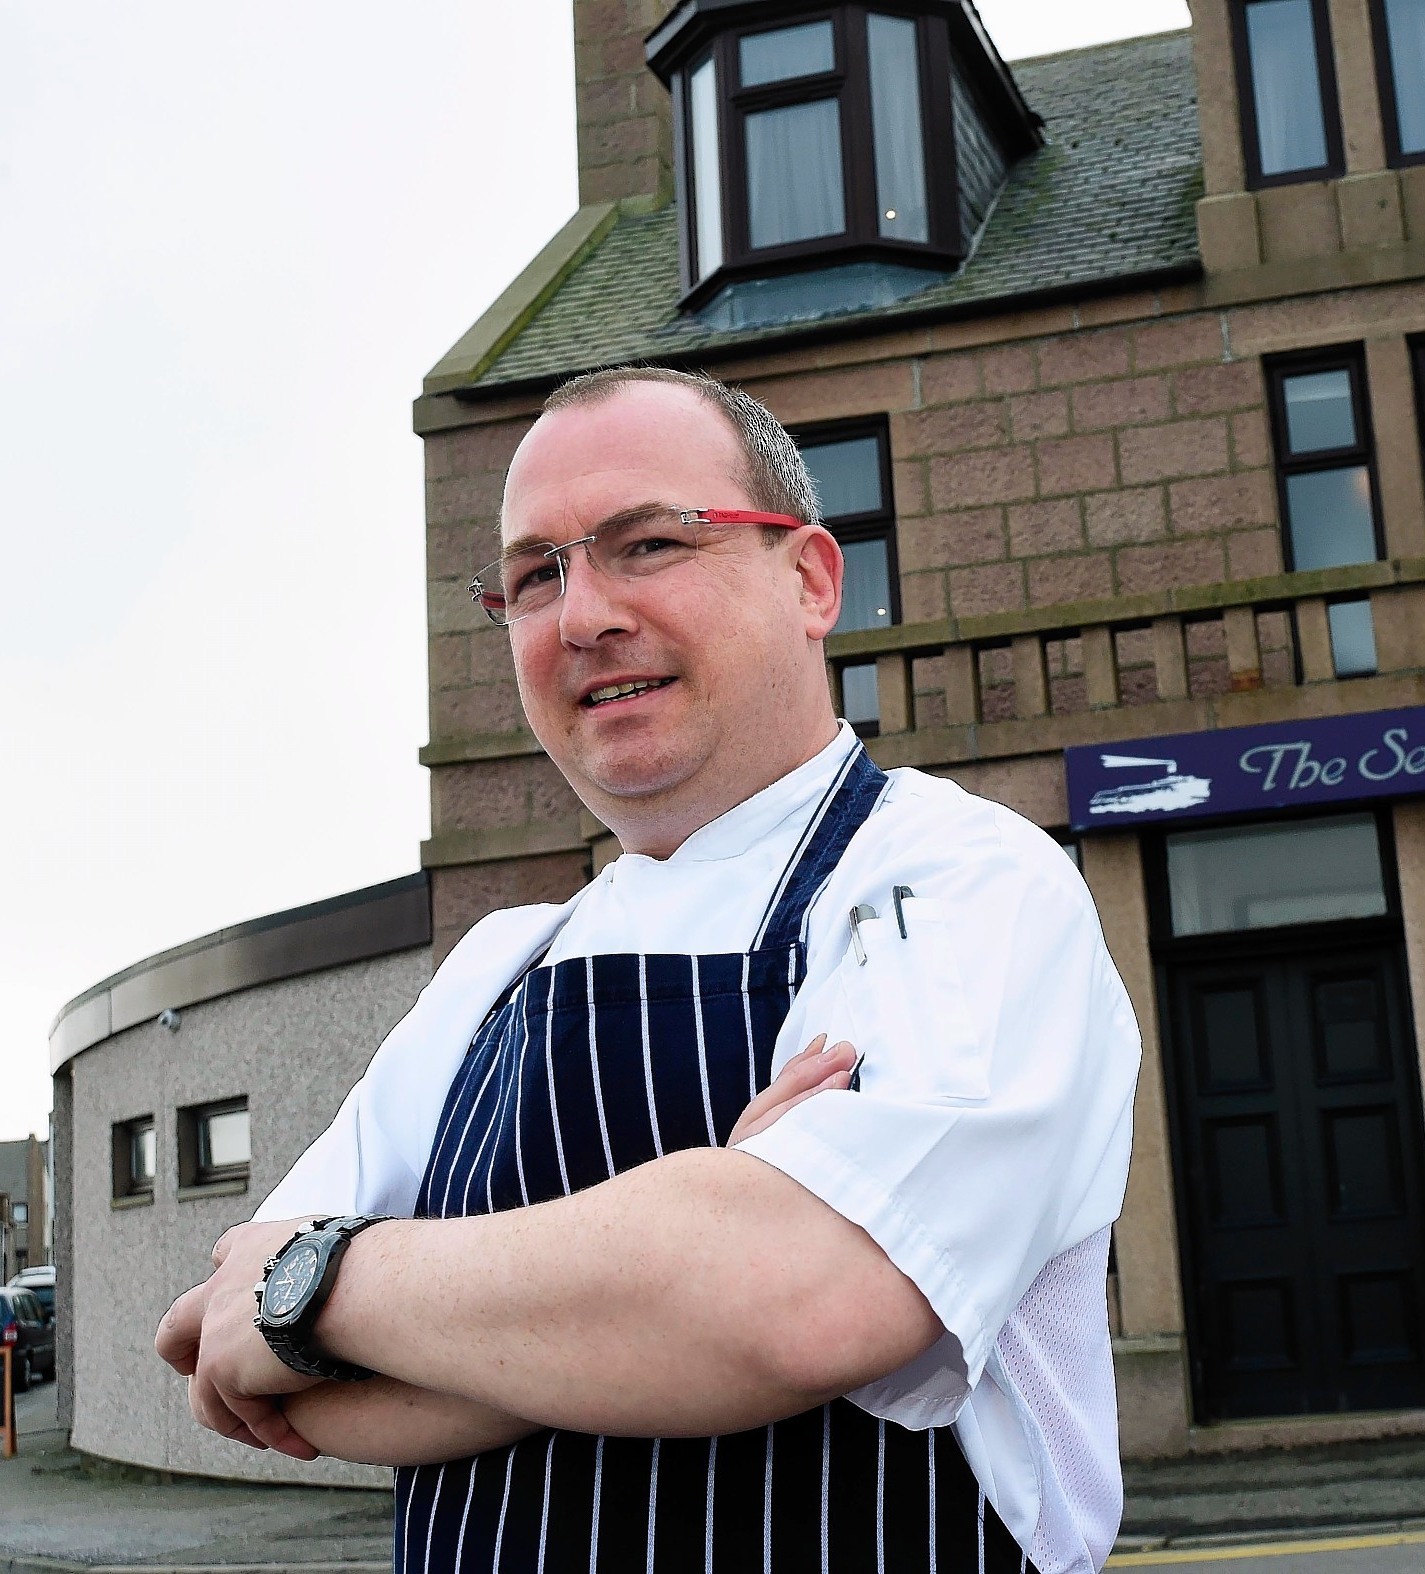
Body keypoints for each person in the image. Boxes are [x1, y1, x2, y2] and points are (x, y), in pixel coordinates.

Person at [154, 367, 1142, 1573]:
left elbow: (801, 1300)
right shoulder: (495, 967)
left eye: (647, 543)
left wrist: (332, 1287)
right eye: (534, 575)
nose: (581, 615)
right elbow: (243, 1355)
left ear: (811, 576)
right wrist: (700, 1230)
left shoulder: (961, 879)